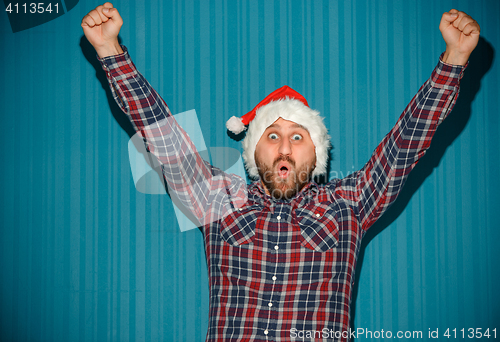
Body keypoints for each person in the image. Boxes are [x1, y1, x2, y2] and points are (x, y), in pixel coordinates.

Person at [82, 3, 480, 341]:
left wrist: (453, 62)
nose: (285, 147)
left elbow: (404, 147)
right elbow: (165, 139)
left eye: (298, 136)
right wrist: (111, 53)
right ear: (254, 151)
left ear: (317, 153)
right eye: (272, 136)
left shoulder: (349, 204)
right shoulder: (219, 199)